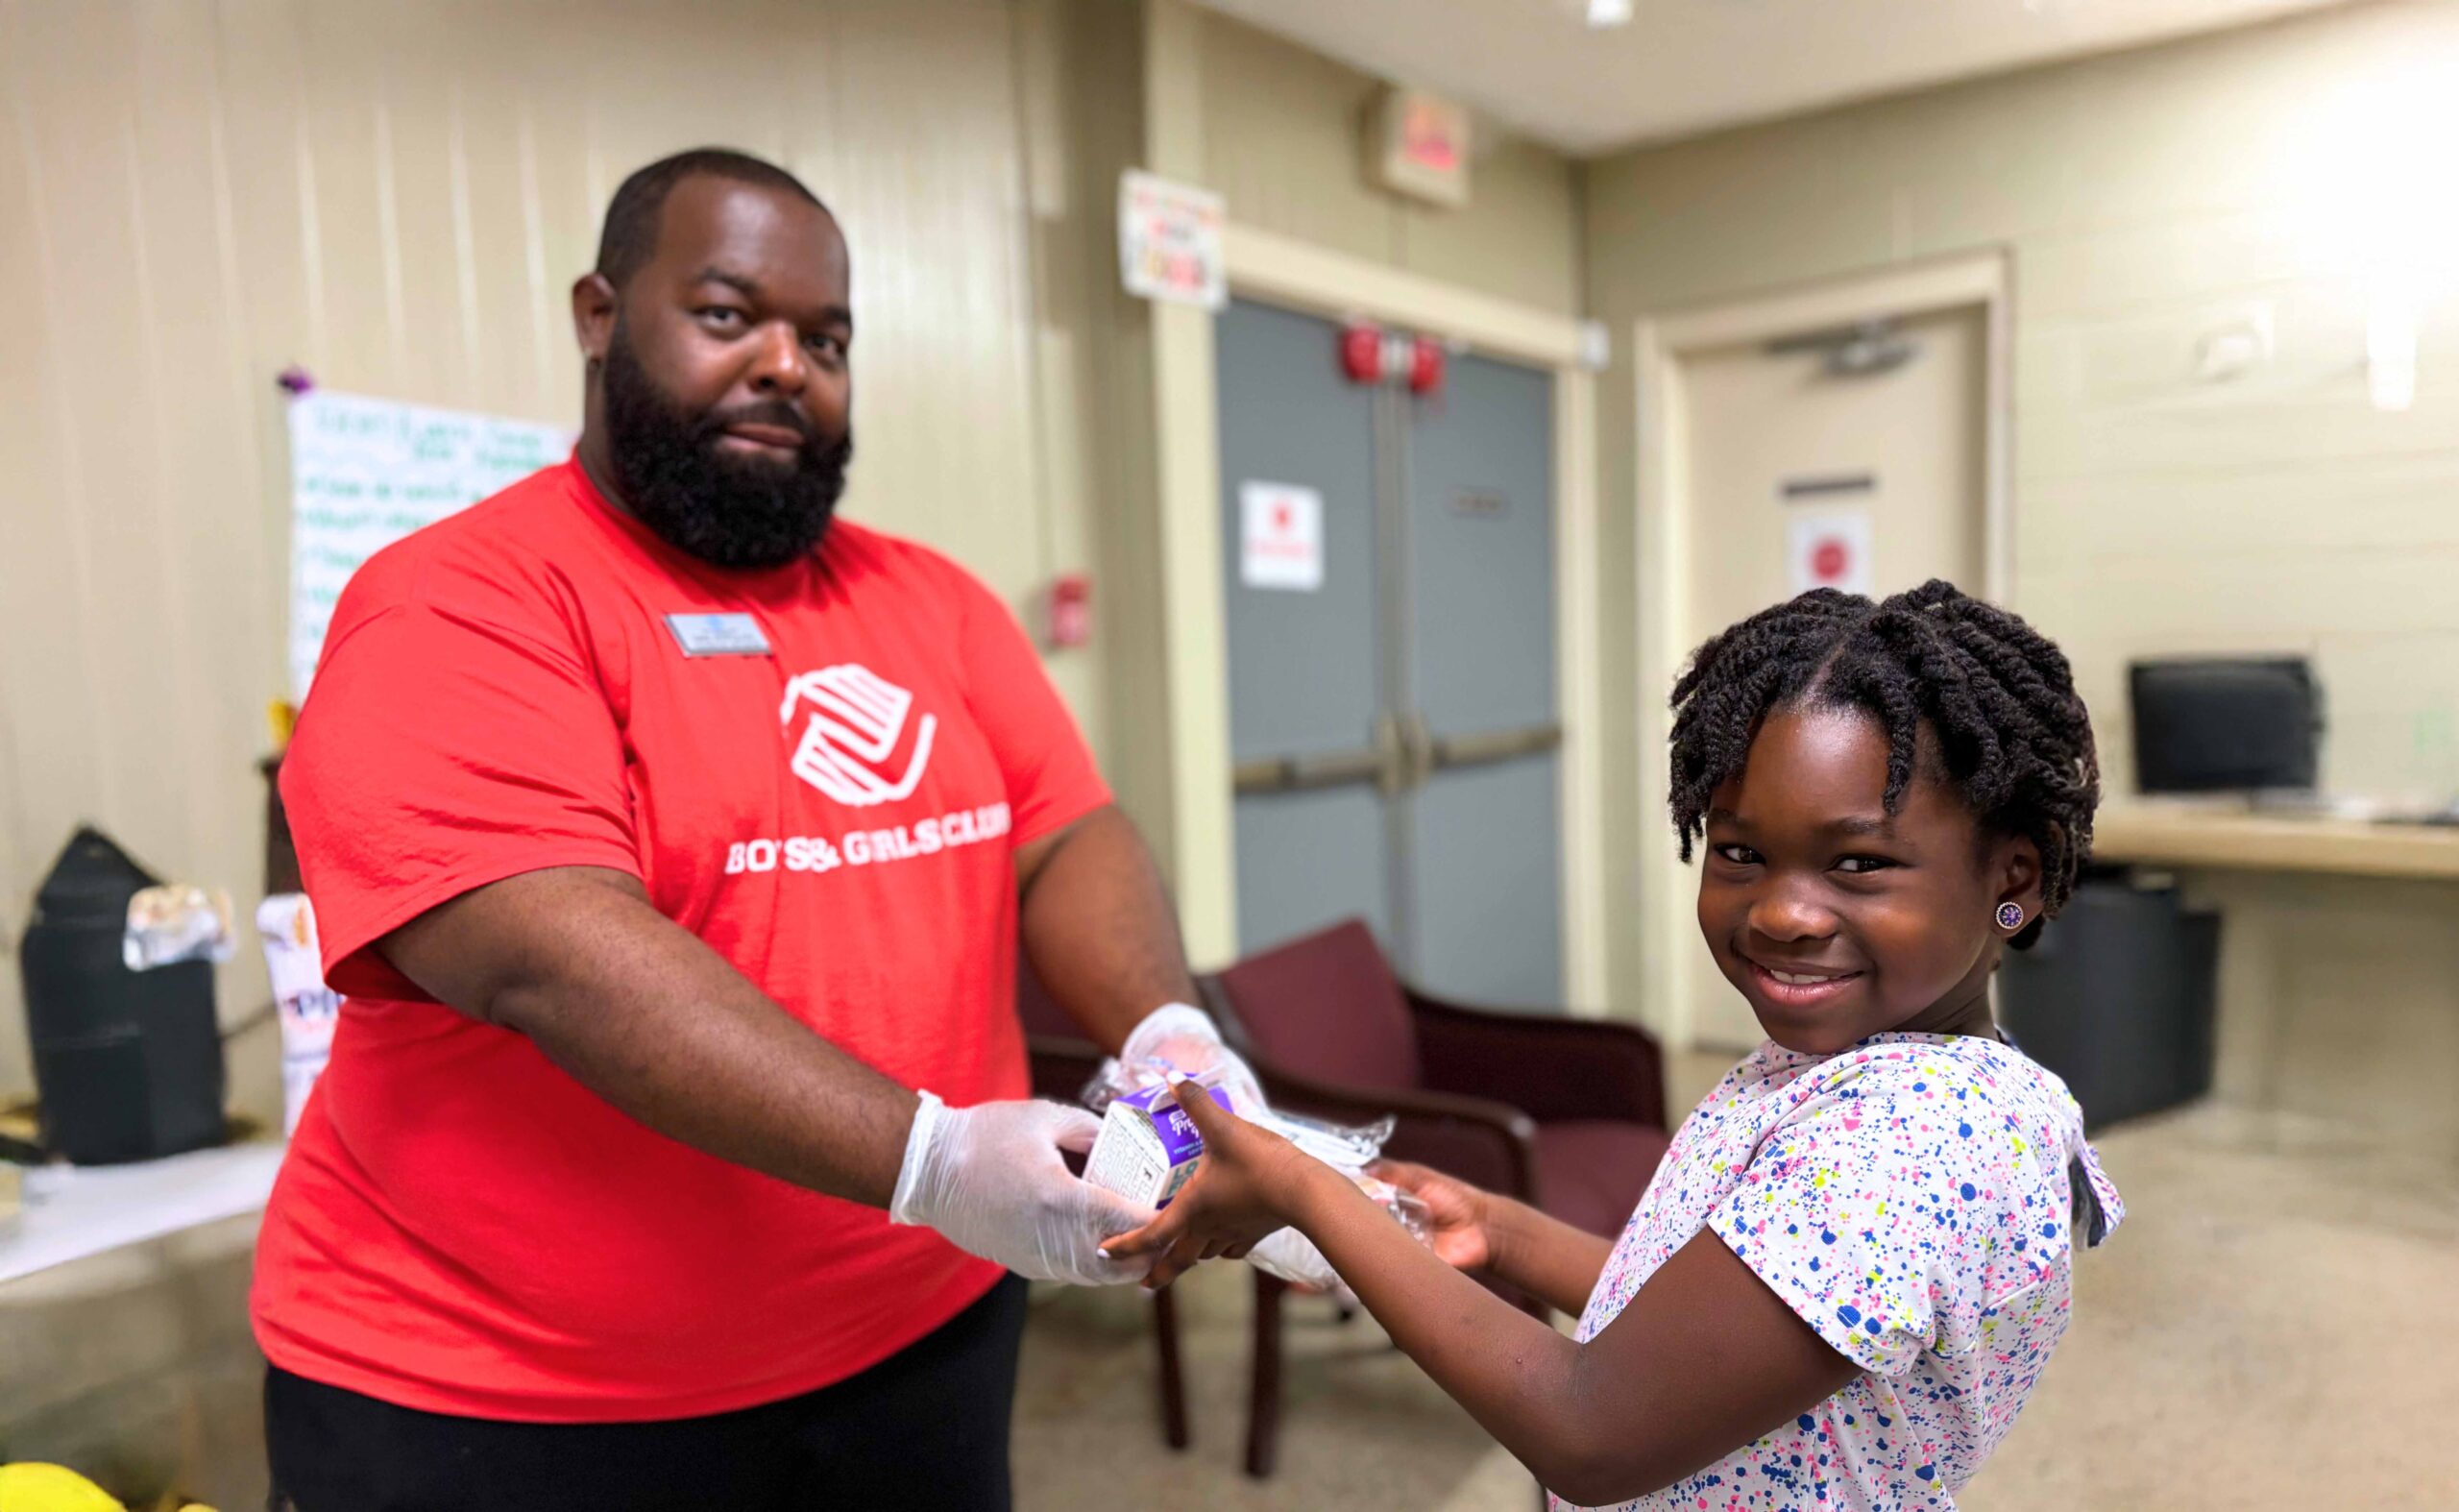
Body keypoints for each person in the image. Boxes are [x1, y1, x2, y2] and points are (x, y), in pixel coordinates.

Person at [255, 147, 1249, 1511]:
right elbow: (551, 954)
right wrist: (933, 1159)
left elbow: (1064, 833)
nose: (787, 365)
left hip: (924, 1334)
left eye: (826, 339)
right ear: (599, 315)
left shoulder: (935, 603)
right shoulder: (463, 601)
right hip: (519, 1396)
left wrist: (1169, 1029)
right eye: (729, 315)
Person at [1109, 580, 2126, 1510]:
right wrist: (1502, 1232)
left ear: (2013, 880)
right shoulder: (1875, 1069)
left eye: (1858, 863)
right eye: (1740, 851)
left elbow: (1590, 1430)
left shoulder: (1906, 1141)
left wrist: (1304, 1192)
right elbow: (1719, 1323)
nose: (1781, 912)